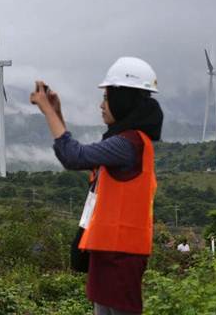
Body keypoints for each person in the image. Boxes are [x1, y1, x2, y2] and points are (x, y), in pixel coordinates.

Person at [30, 57, 163, 315]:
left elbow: (73, 156)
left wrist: (48, 111)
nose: (101, 105)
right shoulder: (125, 143)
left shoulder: (129, 144)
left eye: (106, 97)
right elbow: (78, 155)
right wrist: (57, 113)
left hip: (122, 255)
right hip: (109, 251)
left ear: (123, 100)